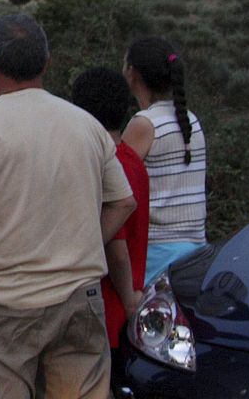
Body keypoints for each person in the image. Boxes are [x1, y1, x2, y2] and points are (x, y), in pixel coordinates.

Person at [0, 13, 136, 399]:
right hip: (79, 301)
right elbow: (123, 202)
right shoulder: (86, 124)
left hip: (2, 308)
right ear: (46, 62)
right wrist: (83, 245)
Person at [72, 66, 150, 390]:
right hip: (123, 307)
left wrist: (129, 299)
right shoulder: (133, 160)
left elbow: (116, 248)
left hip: (108, 307)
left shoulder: (105, 165)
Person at [122, 36, 207, 284]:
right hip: (197, 250)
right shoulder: (190, 119)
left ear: (132, 73)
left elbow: (116, 181)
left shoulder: (144, 124)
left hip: (157, 253)